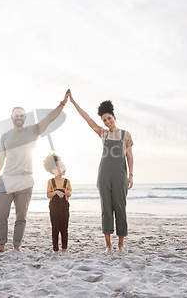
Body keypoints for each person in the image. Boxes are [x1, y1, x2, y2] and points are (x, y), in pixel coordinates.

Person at [0, 90, 69, 253]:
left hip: (25, 181)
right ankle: (1, 245)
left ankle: (17, 246)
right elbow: (0, 158)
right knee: (1, 214)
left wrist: (62, 104)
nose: (19, 117)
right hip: (7, 179)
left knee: (21, 217)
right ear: (12, 117)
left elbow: (49, 119)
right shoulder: (5, 136)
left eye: (22, 115)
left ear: (24, 118)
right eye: (16, 115)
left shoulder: (33, 131)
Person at [69, 92, 134, 254]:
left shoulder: (125, 135)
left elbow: (130, 156)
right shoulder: (103, 133)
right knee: (106, 209)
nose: (107, 122)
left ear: (114, 117)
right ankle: (108, 245)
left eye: (109, 118)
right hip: (103, 175)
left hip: (120, 175)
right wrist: (73, 102)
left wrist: (131, 175)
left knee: (120, 208)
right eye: (104, 120)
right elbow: (87, 118)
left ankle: (120, 245)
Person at [44, 153, 72, 255]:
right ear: (53, 170)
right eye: (60, 166)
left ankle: (64, 249)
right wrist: (55, 192)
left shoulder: (67, 182)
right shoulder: (51, 182)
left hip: (64, 207)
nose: (63, 168)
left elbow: (69, 193)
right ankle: (55, 249)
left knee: (64, 228)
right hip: (54, 208)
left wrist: (68, 193)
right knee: (55, 229)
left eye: (63, 166)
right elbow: (48, 194)